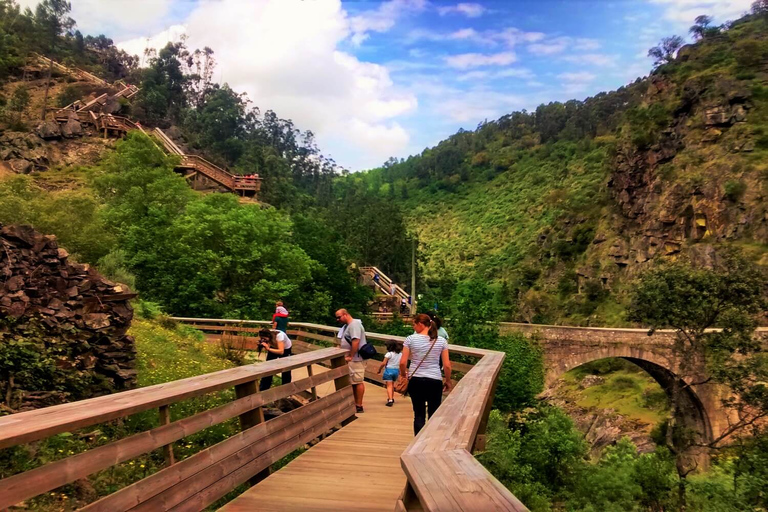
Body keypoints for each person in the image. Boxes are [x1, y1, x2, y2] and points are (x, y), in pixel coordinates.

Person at [399, 313, 452, 434]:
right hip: (434, 380)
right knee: (434, 414)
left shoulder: (410, 339)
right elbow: (447, 365)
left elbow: (403, 363)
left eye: (414, 324)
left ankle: (416, 444)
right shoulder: (441, 341)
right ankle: (430, 443)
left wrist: (403, 375)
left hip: (416, 380)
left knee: (419, 414)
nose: (413, 327)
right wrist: (448, 381)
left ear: (421, 324)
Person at [336, 308, 367, 413]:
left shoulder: (354, 325)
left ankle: (359, 405)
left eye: (339, 317)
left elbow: (356, 341)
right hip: (352, 359)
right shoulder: (347, 326)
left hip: (356, 359)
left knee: (358, 381)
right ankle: (354, 403)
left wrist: (351, 356)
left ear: (345, 315)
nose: (338, 319)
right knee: (352, 382)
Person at [377, 340, 402, 406]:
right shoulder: (400, 354)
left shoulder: (389, 354)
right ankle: (392, 398)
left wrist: (379, 369)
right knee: (392, 385)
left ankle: (390, 400)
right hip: (396, 371)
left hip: (388, 370)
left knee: (389, 386)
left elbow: (383, 363)